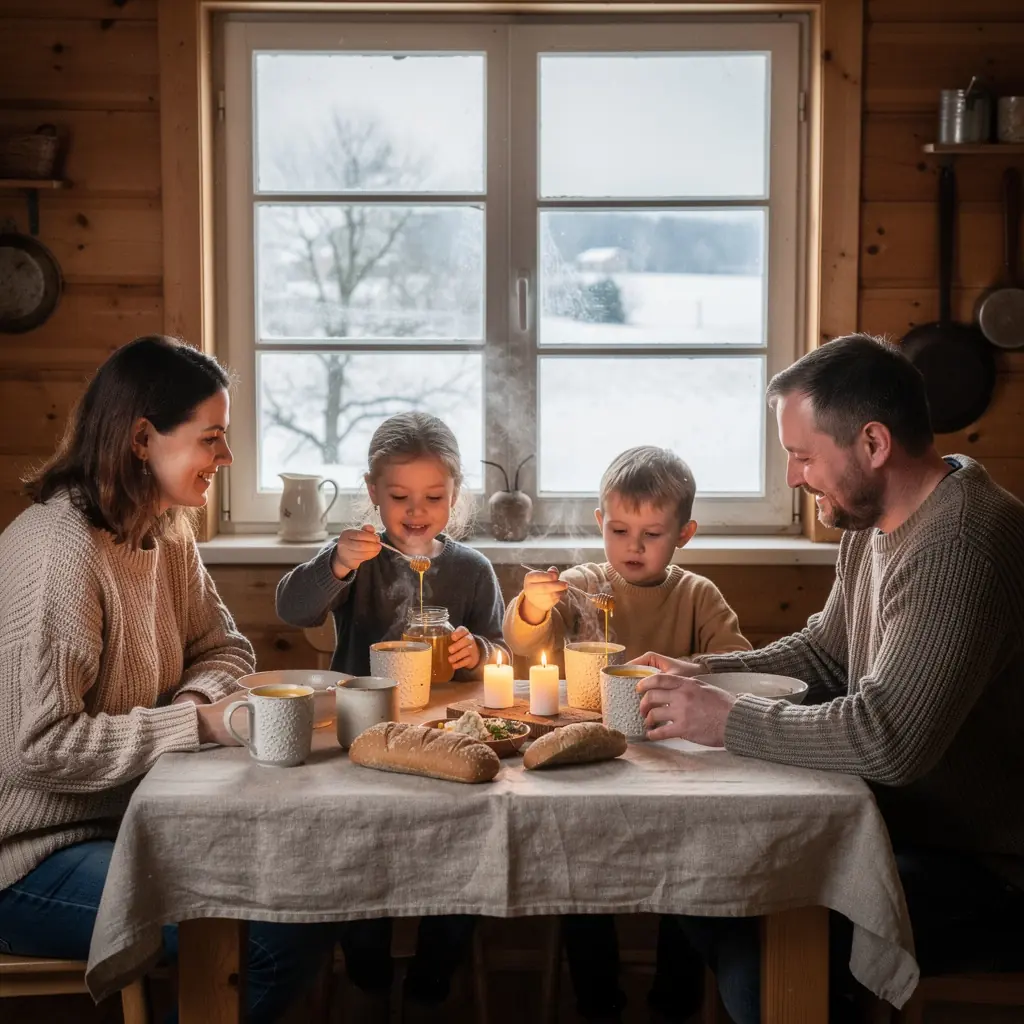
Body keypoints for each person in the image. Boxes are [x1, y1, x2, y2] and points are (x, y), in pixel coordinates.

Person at [632, 334, 1024, 1024]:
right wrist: (700, 673)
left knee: (762, 934)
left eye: (802, 456)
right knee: (696, 873)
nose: (792, 477)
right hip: (901, 825)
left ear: (873, 444)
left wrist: (724, 717)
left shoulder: (961, 543)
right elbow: (826, 655)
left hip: (988, 866)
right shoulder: (871, 518)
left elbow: (888, 739)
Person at [0, 335, 331, 1022]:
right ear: (143, 438)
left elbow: (227, 647)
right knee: (268, 932)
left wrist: (192, 698)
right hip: (25, 859)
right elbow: (36, 746)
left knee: (309, 890)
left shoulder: (163, 529)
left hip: (135, 820)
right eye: (211, 438)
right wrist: (198, 726)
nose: (227, 457)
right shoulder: (59, 553)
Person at [504, 445, 751, 1023]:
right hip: (591, 760)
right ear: (599, 524)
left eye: (651, 533)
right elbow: (523, 642)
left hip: (675, 761)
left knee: (690, 869)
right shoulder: (584, 582)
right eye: (619, 529)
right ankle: (597, 998)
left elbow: (737, 667)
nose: (633, 547)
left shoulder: (698, 595)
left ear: (684, 534)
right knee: (577, 863)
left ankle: (674, 1000)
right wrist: (535, 607)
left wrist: (689, 670)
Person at [276, 410, 508, 1022]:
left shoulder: (470, 569)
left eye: (433, 496)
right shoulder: (360, 560)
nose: (415, 510)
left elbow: (504, 649)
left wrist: (480, 652)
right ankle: (368, 976)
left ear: (455, 497)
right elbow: (293, 608)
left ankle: (434, 982)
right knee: (359, 852)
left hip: (447, 741)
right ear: (372, 492)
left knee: (466, 849)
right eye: (399, 495)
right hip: (365, 738)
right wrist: (336, 563)